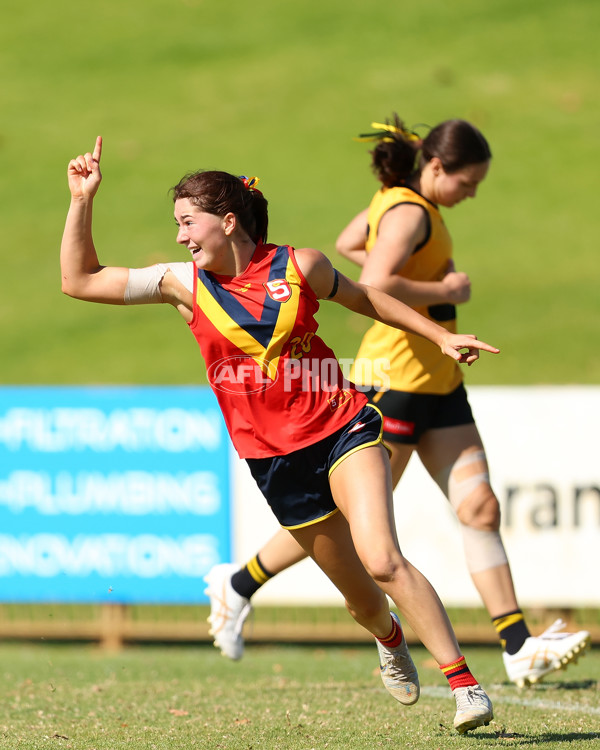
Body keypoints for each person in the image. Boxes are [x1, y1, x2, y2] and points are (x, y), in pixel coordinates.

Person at [61, 136, 501, 734]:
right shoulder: (180, 284)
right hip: (274, 461)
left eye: (188, 222)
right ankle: (390, 638)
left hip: (343, 426)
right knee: (364, 604)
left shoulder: (301, 266)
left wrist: (442, 336)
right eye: (178, 226)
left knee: (382, 558)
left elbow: (369, 297)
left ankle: (466, 686)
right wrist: (82, 199)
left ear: (229, 220)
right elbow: (79, 280)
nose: (181, 236)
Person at [203, 115, 591, 688]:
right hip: (396, 377)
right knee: (351, 526)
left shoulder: (398, 203)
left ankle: (516, 646)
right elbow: (378, 274)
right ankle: (239, 584)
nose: (472, 193)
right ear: (436, 167)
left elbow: (348, 242)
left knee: (479, 506)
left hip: (438, 382)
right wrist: (445, 292)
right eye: (468, 182)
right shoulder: (410, 211)